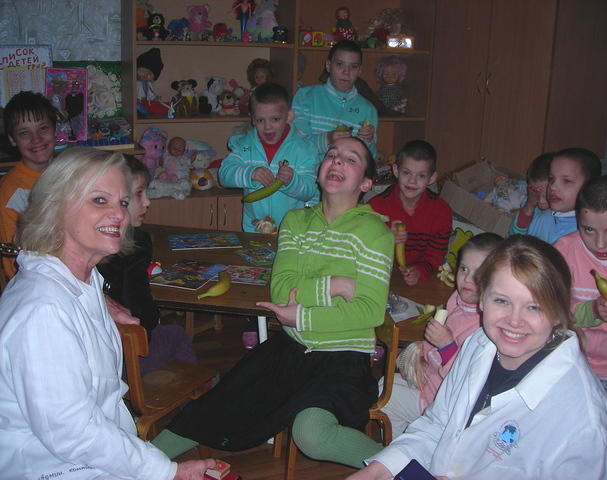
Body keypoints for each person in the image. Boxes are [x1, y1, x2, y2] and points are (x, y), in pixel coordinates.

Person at [152, 137, 394, 469]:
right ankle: (136, 464)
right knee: (217, 405)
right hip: (290, 349)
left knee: (311, 432)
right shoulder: (295, 221)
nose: (337, 161)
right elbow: (281, 290)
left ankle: (403, 468)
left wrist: (302, 316)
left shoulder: (375, 233)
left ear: (366, 182)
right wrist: (337, 285)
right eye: (332, 155)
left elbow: (369, 310)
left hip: (343, 358)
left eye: (350, 159)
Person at [0, 148, 215, 479]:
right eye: (100, 200)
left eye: (123, 202)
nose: (119, 214)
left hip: (88, 456)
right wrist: (167, 472)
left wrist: (99, 301)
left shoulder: (82, 281)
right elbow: (71, 432)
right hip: (53, 467)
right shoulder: (43, 311)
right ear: (56, 207)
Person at [347, 235, 607, 480]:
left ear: (560, 313)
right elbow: (439, 424)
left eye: (534, 307)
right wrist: (381, 468)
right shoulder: (479, 344)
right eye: (501, 301)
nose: (514, 321)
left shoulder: (581, 420)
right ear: (481, 300)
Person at [380, 233, 502, 439]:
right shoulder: (457, 298)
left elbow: (467, 381)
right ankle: (407, 438)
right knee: (384, 383)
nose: (467, 279)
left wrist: (446, 346)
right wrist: (426, 351)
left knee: (388, 399)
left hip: (445, 403)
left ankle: (400, 452)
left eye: (479, 273)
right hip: (433, 381)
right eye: (464, 269)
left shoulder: (485, 327)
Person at [553, 175, 607, 449]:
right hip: (563, 365)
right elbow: (547, 314)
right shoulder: (564, 251)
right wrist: (590, 312)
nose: (600, 245)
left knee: (596, 435)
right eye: (588, 230)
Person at [98, 156, 197, 376]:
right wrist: (156, 318)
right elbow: (139, 304)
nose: (148, 202)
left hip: (101, 356)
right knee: (176, 334)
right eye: (138, 194)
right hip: (126, 361)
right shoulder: (136, 244)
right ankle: (194, 399)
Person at [218, 82, 319, 233]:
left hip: (292, 231)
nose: (267, 127)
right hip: (254, 229)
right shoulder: (245, 145)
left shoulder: (304, 149)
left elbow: (310, 192)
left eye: (275, 119)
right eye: (260, 120)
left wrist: (292, 181)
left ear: (289, 116)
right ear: (252, 119)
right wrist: (249, 173)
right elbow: (224, 174)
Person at [369, 140, 451, 285]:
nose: (412, 181)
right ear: (396, 171)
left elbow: (436, 254)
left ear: (431, 178)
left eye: (421, 176)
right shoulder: (375, 207)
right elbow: (363, 248)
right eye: (406, 173)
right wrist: (385, 237)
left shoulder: (441, 212)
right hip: (377, 276)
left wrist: (420, 271)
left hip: (419, 280)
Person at [0, 91, 57, 278]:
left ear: (55, 130)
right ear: (12, 139)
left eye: (43, 128)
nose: (36, 139)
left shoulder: (68, 173)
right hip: (34, 285)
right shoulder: (11, 192)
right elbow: (11, 260)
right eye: (24, 133)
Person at [292, 40, 378, 160]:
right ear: (328, 66)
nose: (346, 72)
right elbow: (295, 145)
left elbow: (369, 160)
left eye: (353, 66)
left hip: (348, 177)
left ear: (360, 71)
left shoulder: (368, 109)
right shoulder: (305, 96)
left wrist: (368, 141)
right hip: (309, 176)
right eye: (339, 64)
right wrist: (327, 139)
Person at [526, 148, 601, 244]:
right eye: (551, 179)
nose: (552, 186)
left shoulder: (593, 230)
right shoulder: (541, 219)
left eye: (567, 181)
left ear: (591, 187)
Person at [508, 152, 553, 235]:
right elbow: (514, 236)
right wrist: (529, 206)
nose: (541, 201)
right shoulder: (531, 202)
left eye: (546, 195)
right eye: (535, 193)